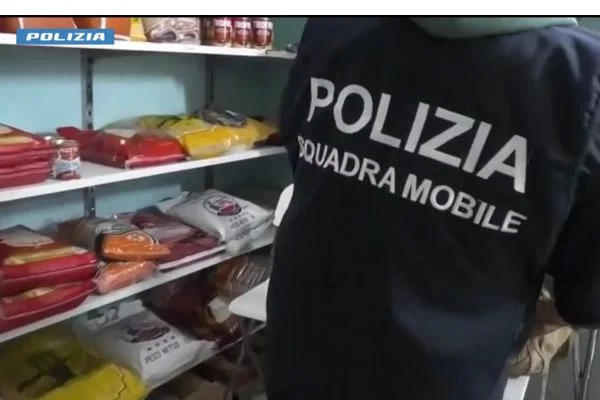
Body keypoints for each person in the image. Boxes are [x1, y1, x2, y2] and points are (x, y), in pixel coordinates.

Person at [266, 17, 600, 400]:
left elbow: (305, 161)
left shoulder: (335, 24)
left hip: (300, 354)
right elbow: (586, 299)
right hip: (441, 376)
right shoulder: (581, 76)